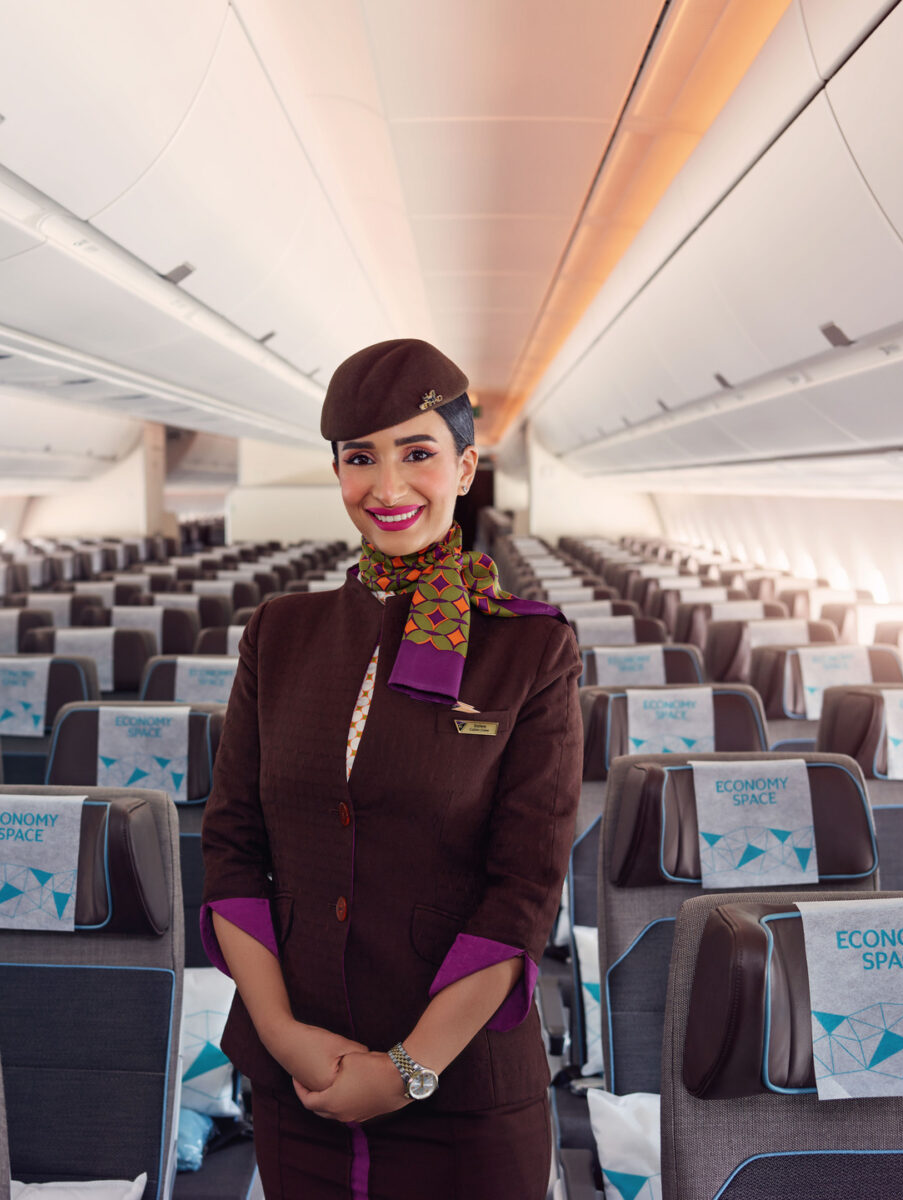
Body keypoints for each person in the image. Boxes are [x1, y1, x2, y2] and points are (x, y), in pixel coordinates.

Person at [200, 339, 582, 1198]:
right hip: (303, 1086)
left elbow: (522, 888)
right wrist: (285, 1034)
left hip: (464, 1094)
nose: (388, 486)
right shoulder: (280, 632)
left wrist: (408, 1069)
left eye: (418, 454)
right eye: (359, 459)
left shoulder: (530, 648)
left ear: (466, 465)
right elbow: (232, 847)